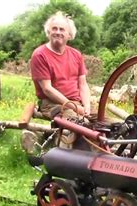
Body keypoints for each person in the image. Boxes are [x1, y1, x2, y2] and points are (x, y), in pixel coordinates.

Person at [21, 11, 91, 154]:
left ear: (69, 35)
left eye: (62, 29)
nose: (58, 32)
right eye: (54, 29)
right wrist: (75, 107)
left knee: (107, 122)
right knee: (78, 124)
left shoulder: (76, 54)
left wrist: (87, 107)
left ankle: (113, 153)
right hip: (52, 103)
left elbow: (83, 84)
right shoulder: (40, 55)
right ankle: (69, 155)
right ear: (48, 32)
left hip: (76, 103)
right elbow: (47, 89)